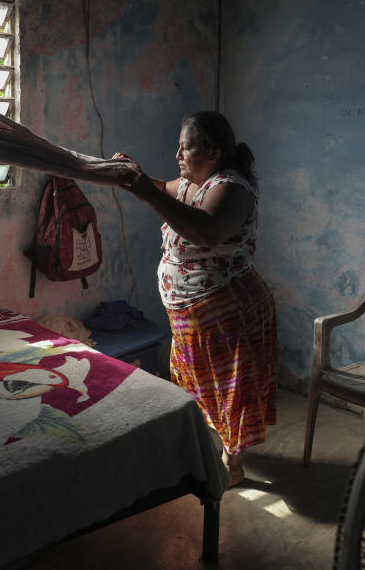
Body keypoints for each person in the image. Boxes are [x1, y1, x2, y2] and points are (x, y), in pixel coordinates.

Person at [113, 111, 277, 487]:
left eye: (185, 148)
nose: (177, 155)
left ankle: (232, 465)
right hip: (190, 315)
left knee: (230, 391)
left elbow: (206, 232)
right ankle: (207, 451)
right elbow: (162, 187)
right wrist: (128, 176)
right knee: (197, 387)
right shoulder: (191, 183)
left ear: (213, 153)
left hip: (229, 313)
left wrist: (146, 191)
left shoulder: (231, 188)